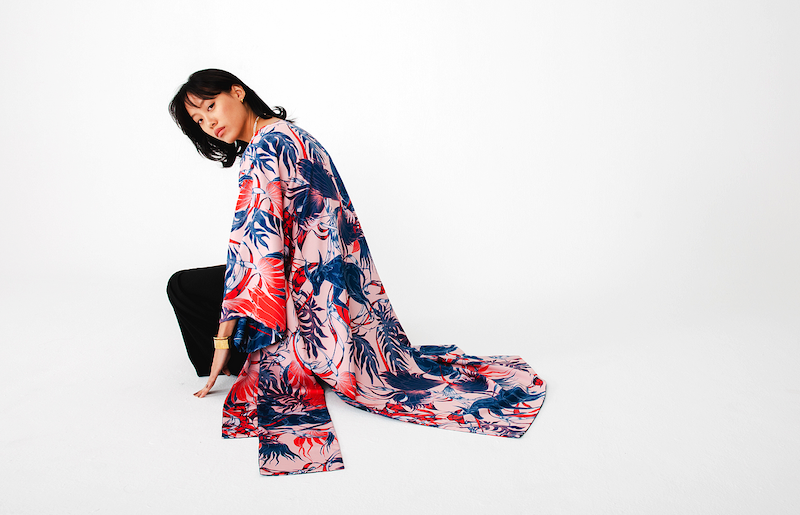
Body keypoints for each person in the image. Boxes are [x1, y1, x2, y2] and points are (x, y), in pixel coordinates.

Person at [167, 69, 547, 475]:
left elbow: (254, 255)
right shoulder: (292, 134)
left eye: (211, 106)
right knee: (210, 282)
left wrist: (223, 336)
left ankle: (232, 362)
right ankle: (250, 355)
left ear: (237, 92)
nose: (210, 123)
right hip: (334, 285)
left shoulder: (263, 149)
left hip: (299, 294)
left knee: (182, 285)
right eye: (199, 120)